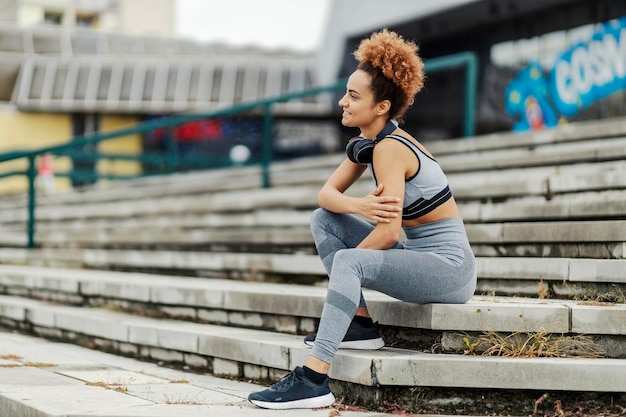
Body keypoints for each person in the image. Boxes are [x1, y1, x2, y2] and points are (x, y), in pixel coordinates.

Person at [248, 28, 477, 410]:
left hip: (450, 270)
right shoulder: (370, 145)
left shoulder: (390, 148)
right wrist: (358, 207)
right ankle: (359, 325)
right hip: (424, 257)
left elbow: (387, 234)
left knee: (347, 261)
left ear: (381, 107)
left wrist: (344, 276)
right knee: (324, 219)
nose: (342, 102)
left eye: (353, 96)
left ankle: (314, 378)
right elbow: (326, 197)